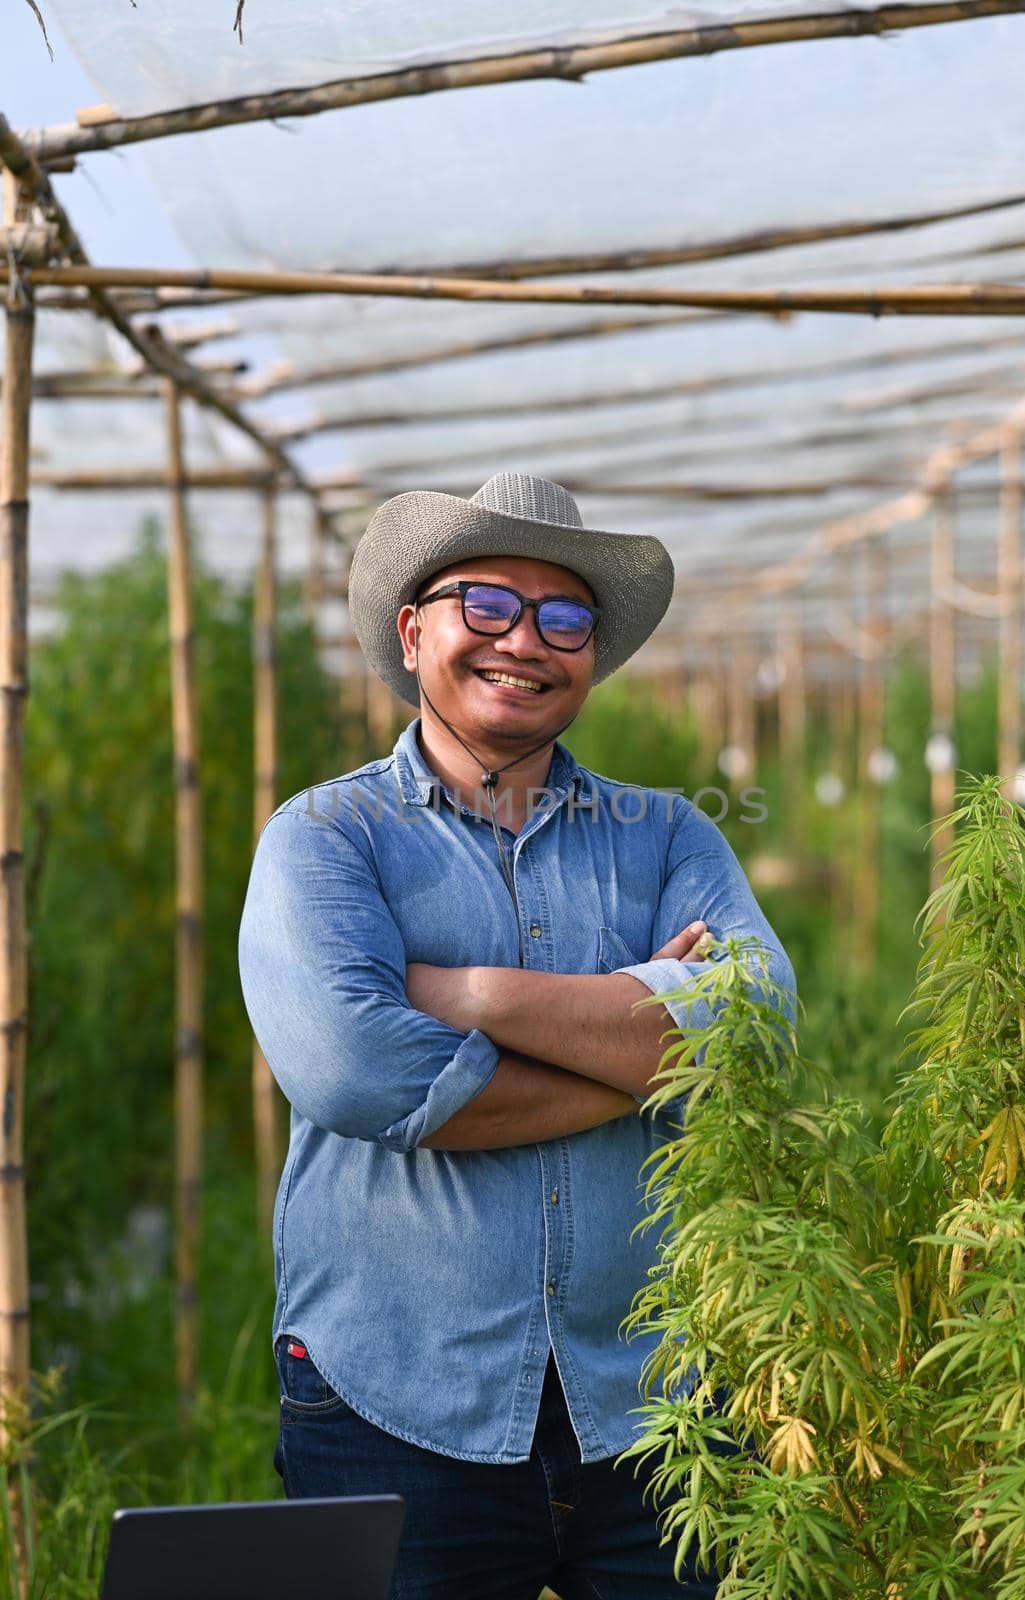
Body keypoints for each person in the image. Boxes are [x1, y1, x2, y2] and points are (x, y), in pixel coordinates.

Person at [238, 472, 796, 1598]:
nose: (525, 642)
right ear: (413, 631)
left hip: (657, 1403)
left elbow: (755, 1035)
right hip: (391, 1393)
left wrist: (479, 993)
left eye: (565, 617)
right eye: (485, 604)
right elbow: (361, 1074)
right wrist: (638, 1048)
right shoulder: (323, 840)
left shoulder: (669, 836)